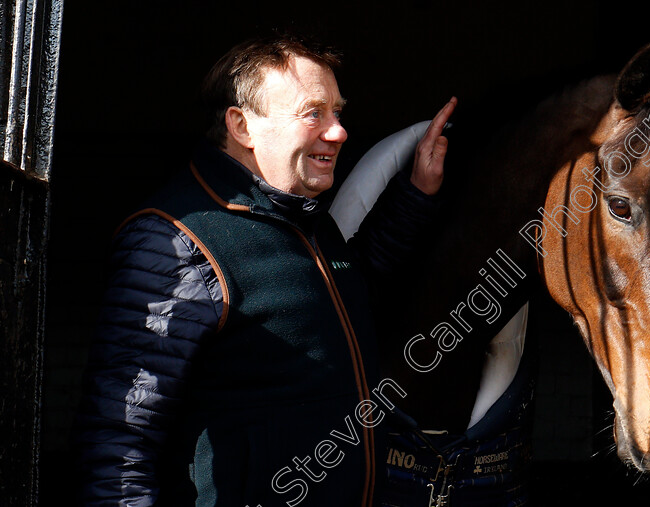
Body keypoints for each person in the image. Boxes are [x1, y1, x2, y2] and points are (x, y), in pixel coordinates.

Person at [76, 35, 456, 506]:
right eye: (313, 112)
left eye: (337, 112)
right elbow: (119, 444)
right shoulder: (176, 239)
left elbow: (350, 294)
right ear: (242, 125)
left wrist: (416, 193)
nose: (338, 132)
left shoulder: (302, 218)